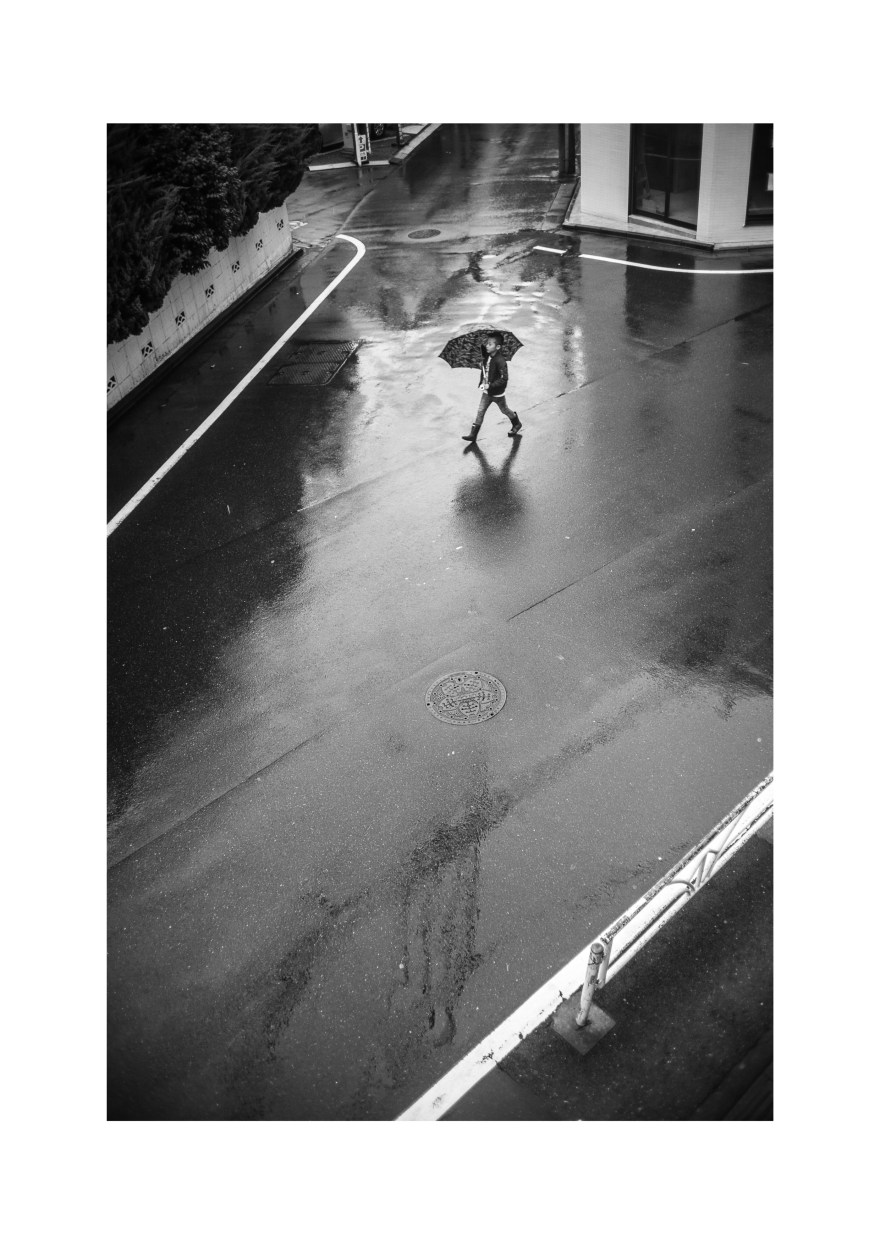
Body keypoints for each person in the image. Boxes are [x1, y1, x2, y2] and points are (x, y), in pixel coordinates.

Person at [462, 336, 522, 442]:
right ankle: (473, 435)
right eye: (487, 344)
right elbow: (486, 372)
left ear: (497, 347)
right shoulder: (486, 357)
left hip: (497, 394)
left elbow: (504, 379)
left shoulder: (500, 361)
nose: (487, 346)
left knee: (504, 410)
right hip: (486, 393)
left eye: (490, 344)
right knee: (480, 411)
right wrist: (482, 381)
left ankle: (516, 423)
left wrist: (491, 385)